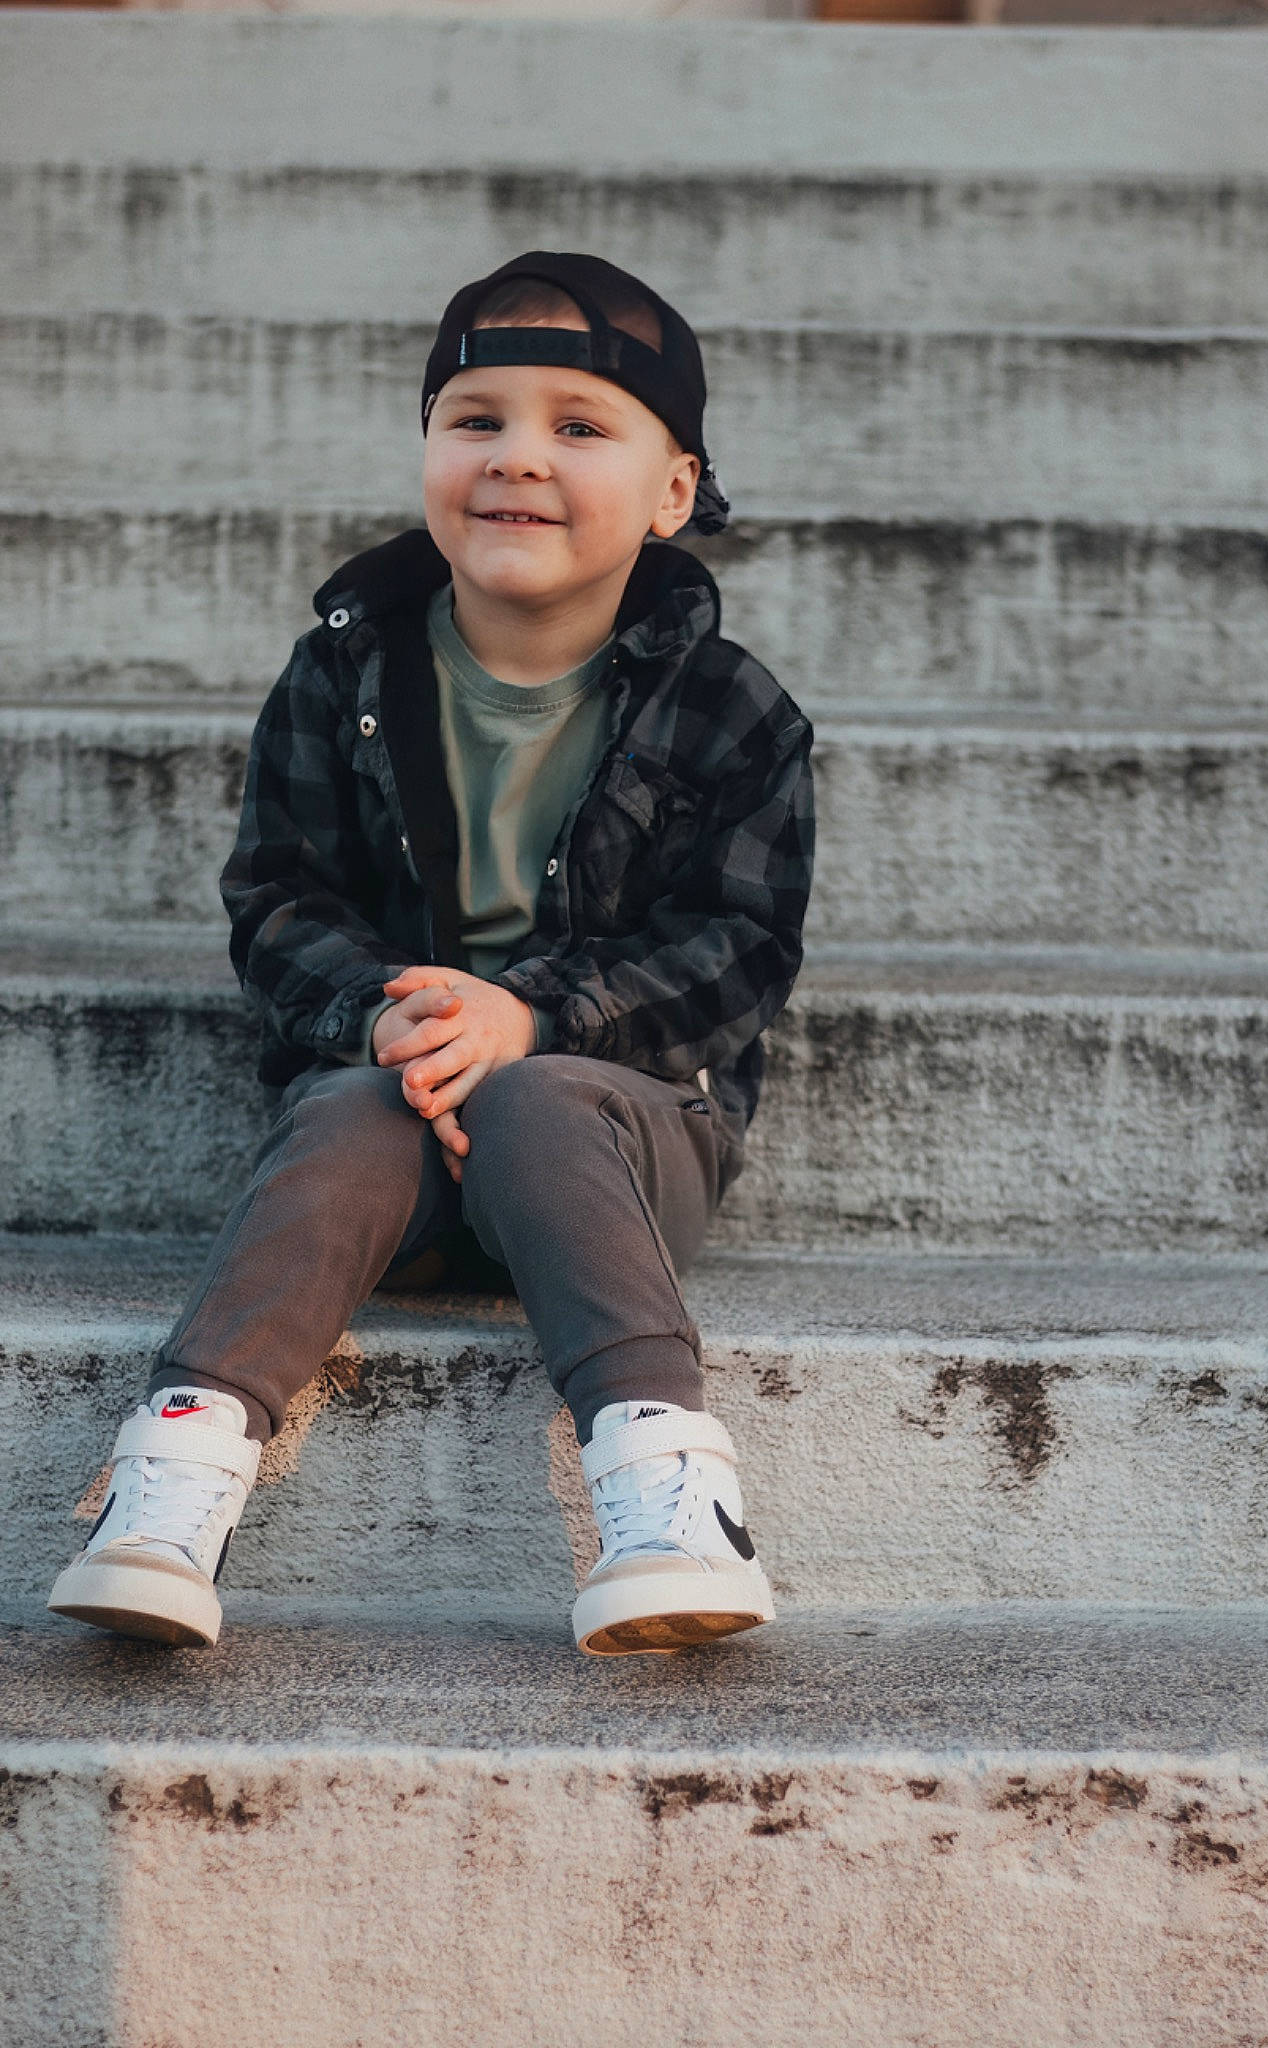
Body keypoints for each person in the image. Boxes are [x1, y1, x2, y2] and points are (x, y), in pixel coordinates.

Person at [47, 251, 816, 1659]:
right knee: (343, 1100)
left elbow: (736, 950)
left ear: (670, 492)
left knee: (532, 1090)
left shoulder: (729, 710)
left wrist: (527, 1020)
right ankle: (170, 1481)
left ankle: (666, 1486)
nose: (518, 457)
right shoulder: (343, 667)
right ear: (426, 448)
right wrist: (383, 1016)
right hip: (387, 1106)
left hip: (630, 1124)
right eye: (477, 419)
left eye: (578, 427)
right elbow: (276, 901)